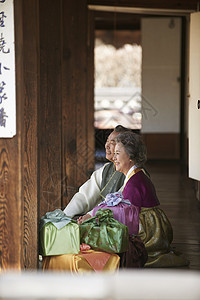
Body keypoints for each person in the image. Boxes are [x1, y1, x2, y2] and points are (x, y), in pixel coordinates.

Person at [109, 131, 189, 268]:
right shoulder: (137, 174)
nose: (113, 158)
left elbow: (129, 218)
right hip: (150, 222)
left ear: (130, 157)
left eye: (117, 153)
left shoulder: (134, 182)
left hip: (149, 231)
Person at [63, 125, 128, 220]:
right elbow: (84, 196)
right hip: (103, 215)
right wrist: (65, 216)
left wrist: (91, 215)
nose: (106, 146)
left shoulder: (132, 171)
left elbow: (119, 202)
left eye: (112, 143)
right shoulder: (106, 169)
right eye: (107, 142)